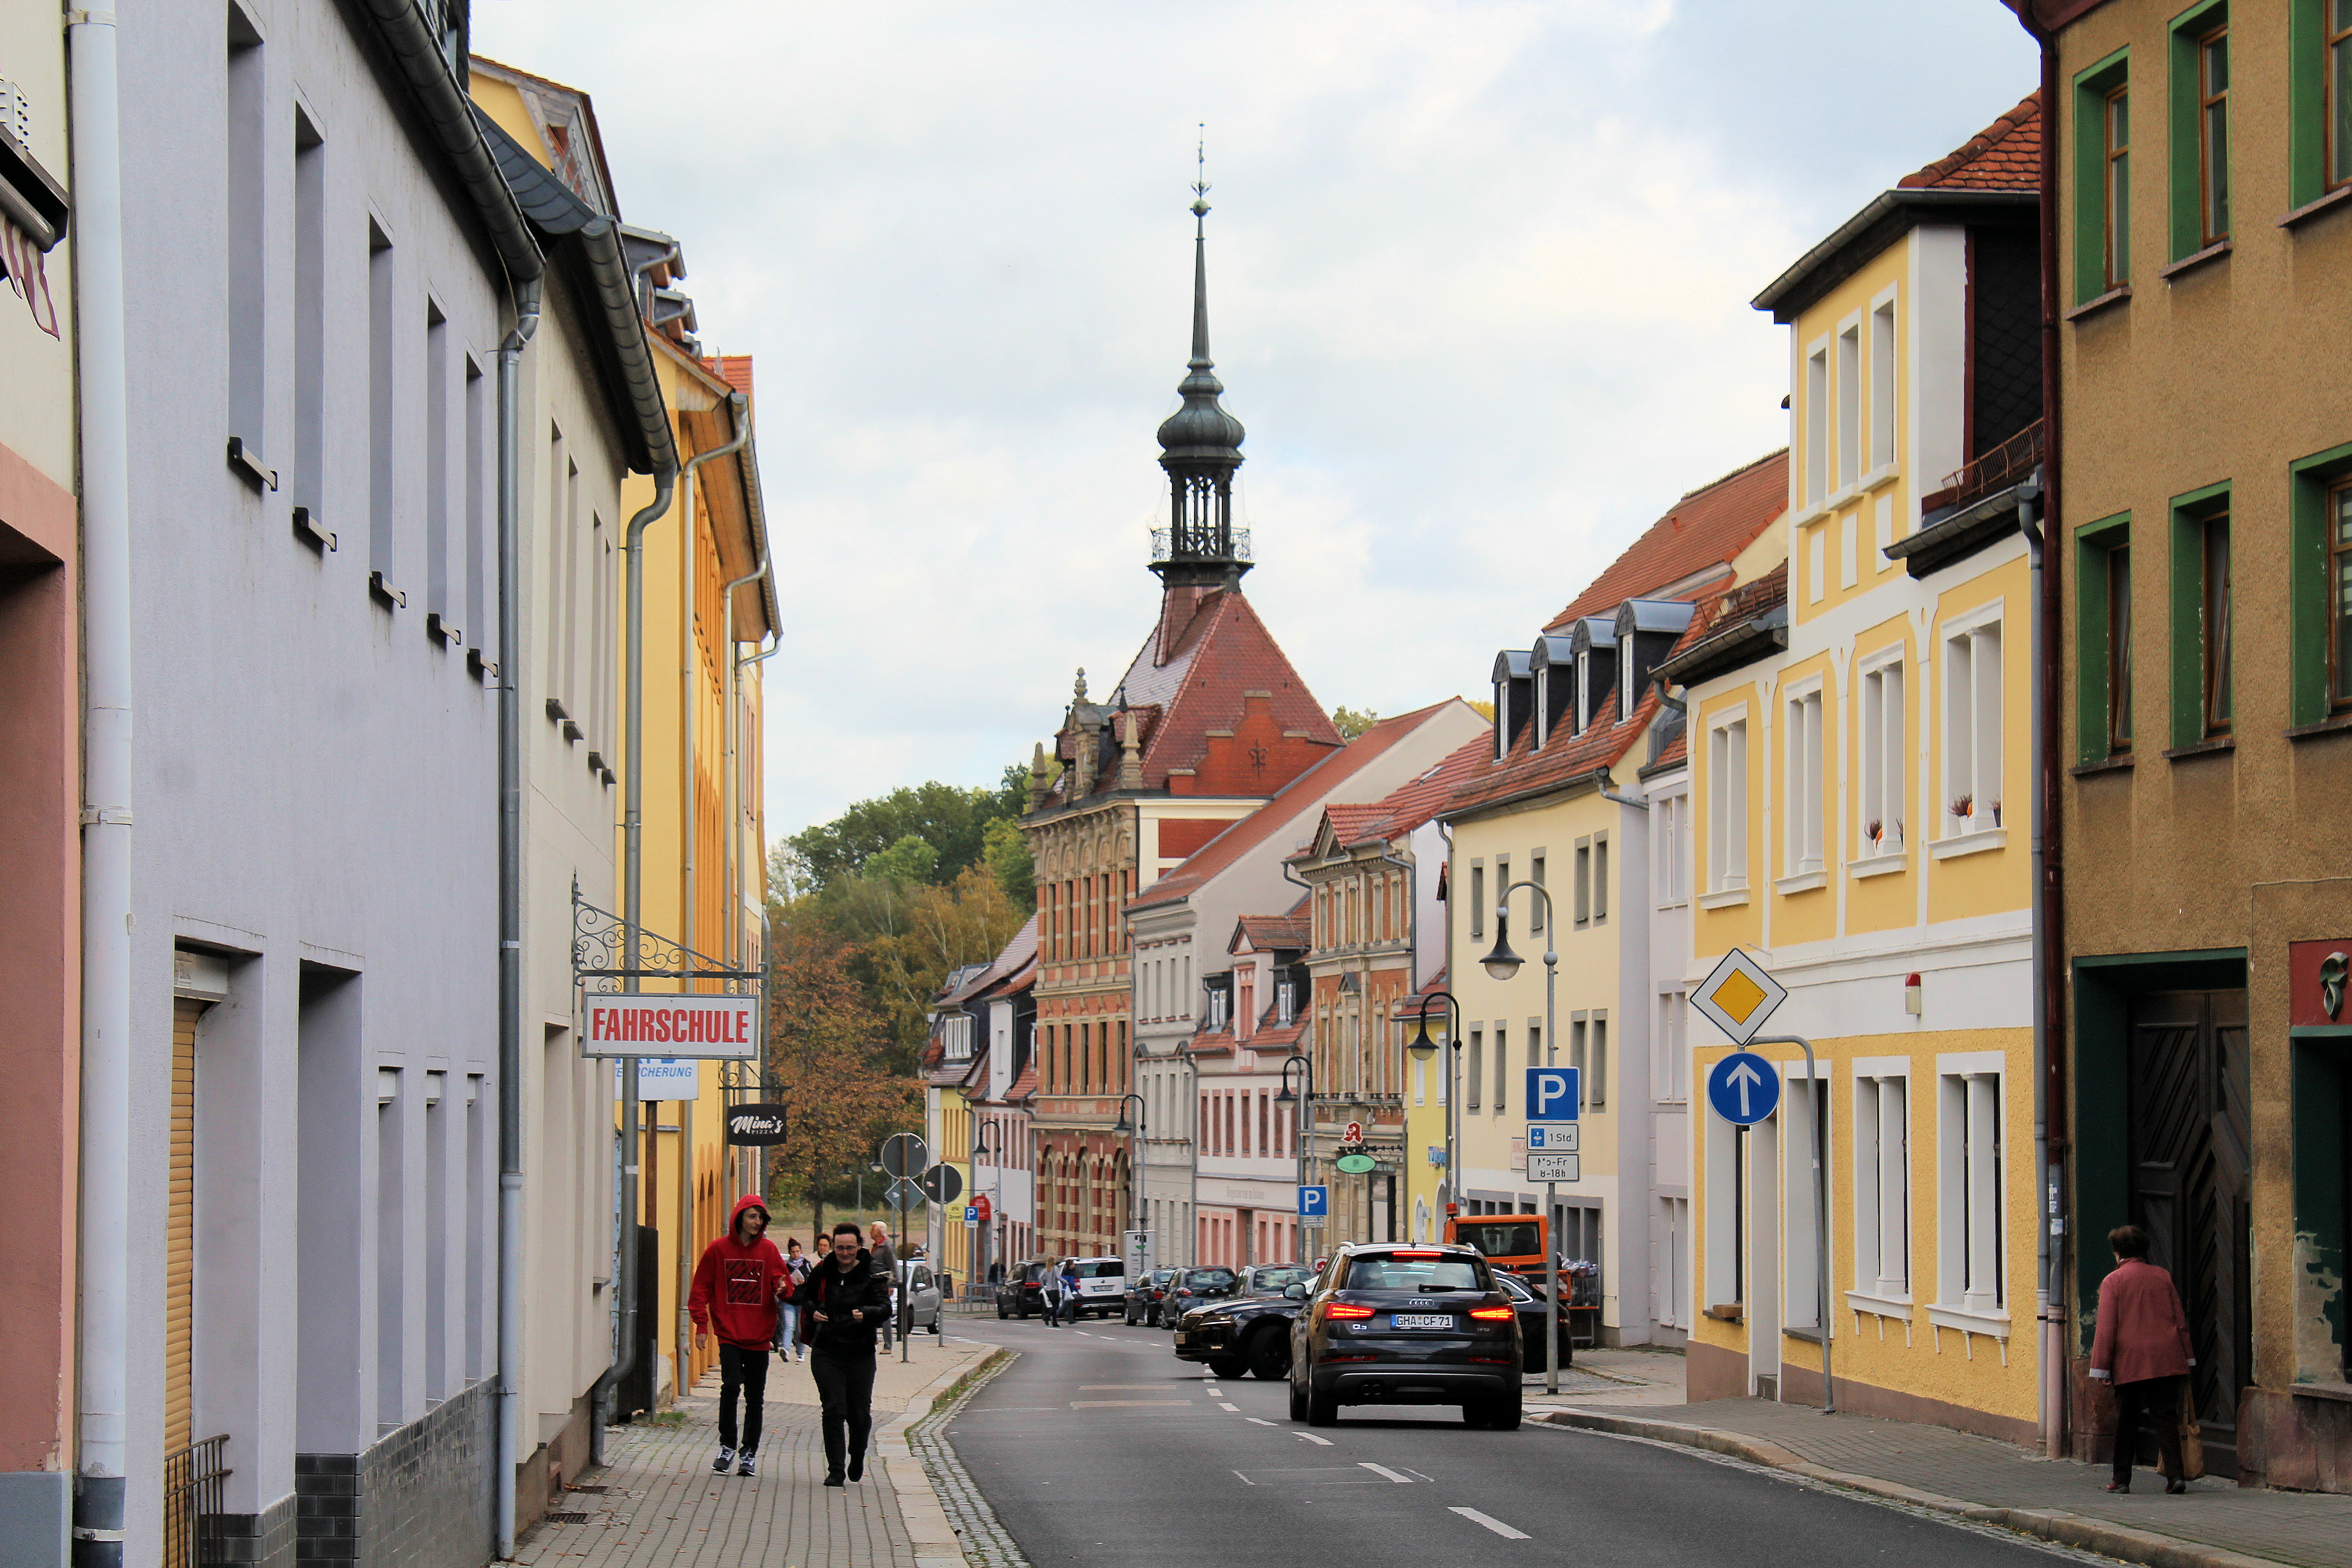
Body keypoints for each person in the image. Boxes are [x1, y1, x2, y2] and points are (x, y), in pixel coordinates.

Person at [686, 1194, 789, 1479]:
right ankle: (727, 1447)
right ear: (739, 1217)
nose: (758, 1222)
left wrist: (783, 1289)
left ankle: (749, 1453)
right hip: (729, 1333)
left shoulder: (768, 1251)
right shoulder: (719, 1250)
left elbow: (784, 1285)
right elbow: (700, 1290)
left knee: (755, 1397)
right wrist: (701, 1326)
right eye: (753, 1216)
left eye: (761, 1218)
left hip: (759, 1336)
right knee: (730, 1386)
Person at [2089, 1224, 2197, 1494]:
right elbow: (2180, 1321)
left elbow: (2106, 1329)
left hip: (2130, 1362)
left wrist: (2101, 1368)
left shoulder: (2113, 1282)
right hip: (2166, 1358)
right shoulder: (2162, 1277)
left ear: (2117, 1253)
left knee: (2127, 1422)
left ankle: (2122, 1479)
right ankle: (2176, 1477)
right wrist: (2188, 1357)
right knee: (2166, 1420)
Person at [796, 1221, 892, 1486]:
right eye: (840, 1249)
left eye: (850, 1248)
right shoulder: (823, 1271)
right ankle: (836, 1469)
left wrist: (867, 1314)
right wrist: (814, 1309)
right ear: (833, 1249)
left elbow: (885, 1309)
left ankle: (857, 1454)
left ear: (860, 1246)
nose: (845, 1253)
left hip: (860, 1351)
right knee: (833, 1408)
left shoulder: (873, 1273)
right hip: (827, 1349)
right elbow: (807, 1297)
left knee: (859, 1413)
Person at [775, 1238, 811, 1364]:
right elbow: (780, 1280)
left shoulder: (806, 1265)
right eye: (793, 1252)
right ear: (790, 1253)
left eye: (798, 1252)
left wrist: (805, 1282)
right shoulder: (786, 1266)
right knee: (789, 1326)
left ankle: (801, 1353)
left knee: (801, 1328)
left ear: (801, 1252)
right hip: (789, 1300)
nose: (796, 1254)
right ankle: (785, 1350)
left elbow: (813, 1281)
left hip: (802, 1301)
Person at [868, 1221, 899, 1350]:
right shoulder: (876, 1246)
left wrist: (891, 1284)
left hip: (883, 1285)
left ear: (879, 1232)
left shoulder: (887, 1247)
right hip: (873, 1284)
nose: (870, 1232)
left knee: (885, 1314)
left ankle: (888, 1344)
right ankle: (873, 1339)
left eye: (873, 1229)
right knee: (870, 1312)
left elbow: (893, 1265)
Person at [1039, 1260, 1064, 1328]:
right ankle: (1048, 1316)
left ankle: (1055, 1322)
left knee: (1054, 1306)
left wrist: (1043, 1286)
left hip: (1048, 1290)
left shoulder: (1046, 1270)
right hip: (1054, 1290)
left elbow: (1040, 1278)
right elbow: (1058, 1277)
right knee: (1057, 1306)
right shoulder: (1055, 1268)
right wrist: (1066, 1281)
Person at [1057, 1260, 1080, 1326]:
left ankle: (1071, 1320)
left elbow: (1062, 1280)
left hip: (1065, 1290)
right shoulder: (1071, 1273)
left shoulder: (1064, 1271)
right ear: (1070, 1266)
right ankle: (1054, 1316)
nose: (1074, 1265)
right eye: (1073, 1264)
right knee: (1064, 1306)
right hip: (1068, 1291)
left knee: (1070, 1305)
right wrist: (1077, 1290)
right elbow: (1072, 1283)